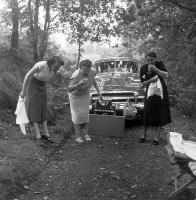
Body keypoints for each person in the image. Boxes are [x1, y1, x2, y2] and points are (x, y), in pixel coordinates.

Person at [20, 56, 64, 143]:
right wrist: (23, 91)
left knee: (43, 108)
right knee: (35, 108)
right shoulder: (40, 66)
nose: (57, 68)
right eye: (56, 66)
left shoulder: (54, 71)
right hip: (32, 85)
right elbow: (27, 76)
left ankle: (46, 134)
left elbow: (45, 79)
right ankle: (38, 135)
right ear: (50, 63)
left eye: (58, 67)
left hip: (42, 86)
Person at [139, 52, 171, 145]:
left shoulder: (159, 64)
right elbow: (143, 83)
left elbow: (166, 75)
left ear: (155, 59)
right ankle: (143, 134)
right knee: (147, 111)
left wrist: (155, 69)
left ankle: (157, 136)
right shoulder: (143, 68)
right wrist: (151, 80)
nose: (150, 61)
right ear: (146, 60)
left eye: (152, 60)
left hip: (161, 91)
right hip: (150, 91)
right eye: (148, 60)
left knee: (160, 112)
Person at [68, 59, 101, 143]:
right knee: (77, 115)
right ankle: (78, 136)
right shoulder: (75, 75)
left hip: (85, 95)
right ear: (80, 68)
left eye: (88, 70)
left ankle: (86, 134)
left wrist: (98, 90)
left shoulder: (93, 71)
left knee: (85, 114)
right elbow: (69, 89)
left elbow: (93, 79)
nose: (86, 72)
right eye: (84, 70)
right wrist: (78, 84)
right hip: (75, 96)